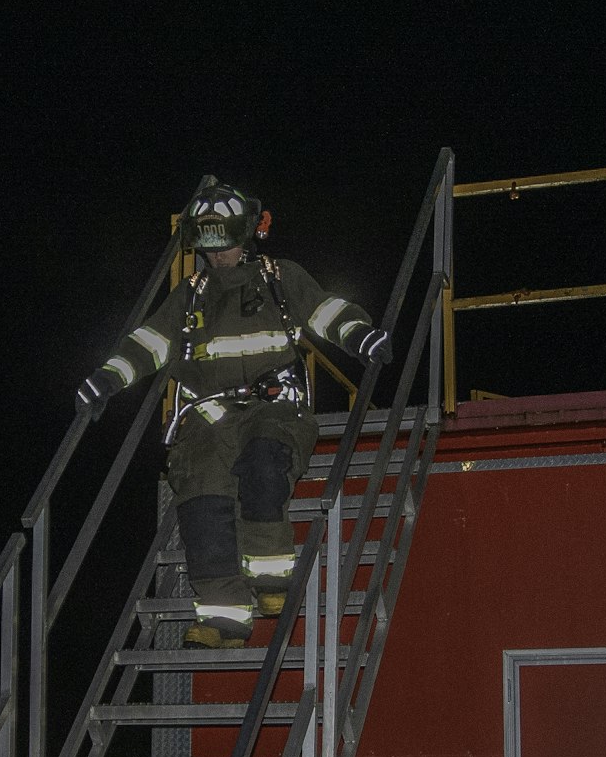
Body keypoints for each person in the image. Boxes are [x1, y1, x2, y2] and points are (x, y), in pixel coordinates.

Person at [75, 181, 391, 648]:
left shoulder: (280, 277)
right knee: (201, 500)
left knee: (263, 465)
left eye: (224, 242)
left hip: (275, 407)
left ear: (246, 235)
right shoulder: (190, 296)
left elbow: (325, 311)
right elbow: (148, 344)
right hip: (208, 419)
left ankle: (271, 582)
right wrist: (106, 379)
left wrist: (359, 335)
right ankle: (225, 617)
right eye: (207, 244)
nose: (217, 254)